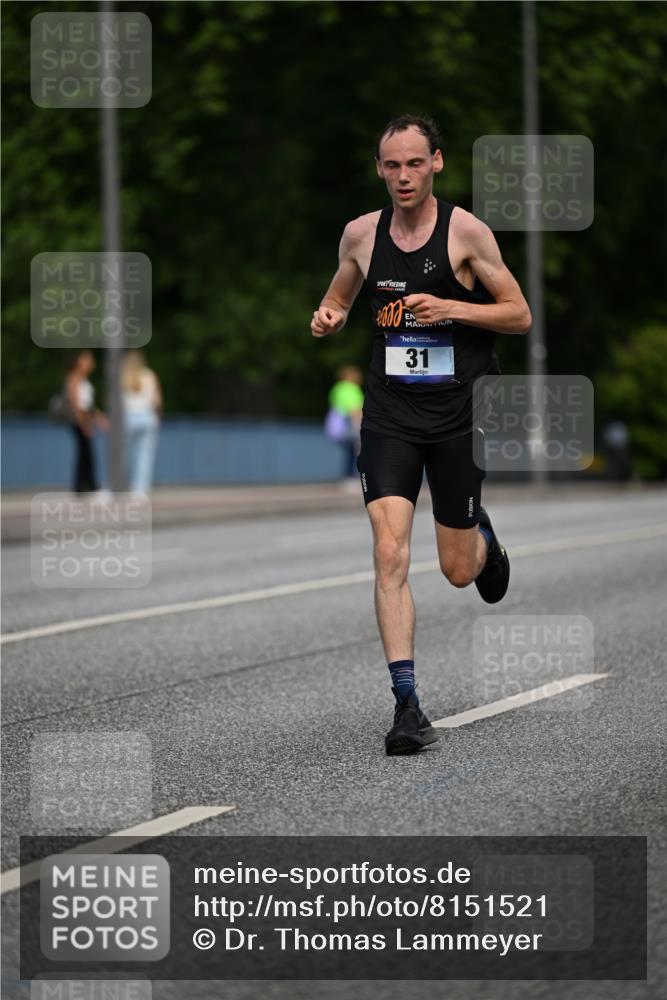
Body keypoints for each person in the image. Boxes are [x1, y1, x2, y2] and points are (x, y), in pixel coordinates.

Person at [311, 115, 532, 755]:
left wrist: (452, 306)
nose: (403, 176)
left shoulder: (466, 232)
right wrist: (329, 317)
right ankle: (406, 704)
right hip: (390, 415)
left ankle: (484, 541)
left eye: (414, 163)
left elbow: (519, 314)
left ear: (436, 162)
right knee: (389, 552)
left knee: (458, 571)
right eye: (392, 165)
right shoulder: (361, 235)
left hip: (460, 415)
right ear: (379, 169)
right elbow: (339, 298)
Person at [64, 350, 109, 495]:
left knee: (87, 452)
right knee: (85, 453)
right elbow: (75, 404)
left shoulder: (84, 379)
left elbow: (89, 405)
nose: (90, 363)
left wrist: (98, 418)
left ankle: (87, 484)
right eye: (87, 360)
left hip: (86, 419)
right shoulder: (74, 378)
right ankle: (84, 485)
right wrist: (84, 424)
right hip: (79, 421)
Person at [121, 350, 163, 496]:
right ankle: (140, 489)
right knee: (144, 456)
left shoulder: (123, 376)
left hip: (128, 418)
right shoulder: (149, 375)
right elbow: (157, 400)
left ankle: (121, 484)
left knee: (124, 455)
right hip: (147, 417)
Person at [326, 364, 365, 483]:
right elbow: (354, 409)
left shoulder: (337, 388)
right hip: (350, 424)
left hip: (337, 425)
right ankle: (350, 477)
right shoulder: (350, 388)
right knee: (355, 451)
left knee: (350, 451)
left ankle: (348, 476)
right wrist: (360, 425)